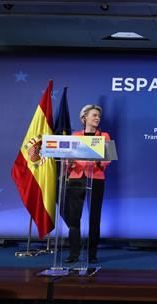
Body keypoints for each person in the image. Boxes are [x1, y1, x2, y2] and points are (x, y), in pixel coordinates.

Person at [64, 105, 110, 264]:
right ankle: (73, 254)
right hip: (76, 178)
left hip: (96, 179)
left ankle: (92, 255)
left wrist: (100, 163)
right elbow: (66, 158)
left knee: (94, 218)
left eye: (98, 116)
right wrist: (68, 164)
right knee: (74, 218)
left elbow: (108, 158)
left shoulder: (104, 136)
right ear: (85, 118)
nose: (97, 118)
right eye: (94, 115)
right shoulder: (75, 135)